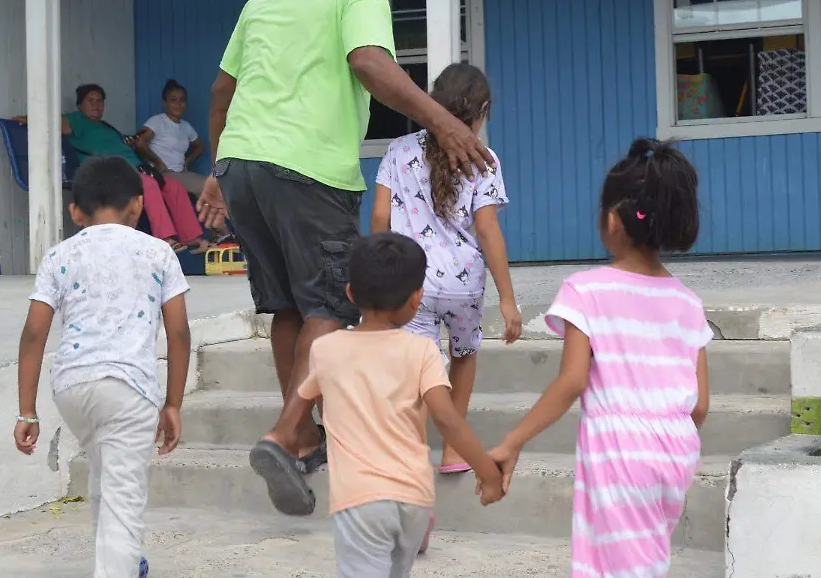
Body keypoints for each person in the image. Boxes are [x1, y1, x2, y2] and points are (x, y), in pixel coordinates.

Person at [195, 0, 495, 515]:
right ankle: (286, 432)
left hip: (242, 166)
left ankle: (300, 434)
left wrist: (219, 171)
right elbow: (368, 63)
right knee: (331, 303)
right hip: (309, 170)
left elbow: (222, 89)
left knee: (287, 305)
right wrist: (443, 124)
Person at [485, 138, 713, 577]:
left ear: (612, 220)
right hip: (676, 452)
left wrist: (512, 441)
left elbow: (572, 381)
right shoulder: (688, 302)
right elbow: (700, 405)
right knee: (643, 561)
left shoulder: (585, 290)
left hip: (619, 453)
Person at [13, 155, 192, 578]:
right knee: (124, 500)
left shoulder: (60, 254)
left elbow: (34, 333)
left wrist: (26, 410)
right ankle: (121, 566)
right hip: (130, 390)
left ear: (75, 212)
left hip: (72, 387)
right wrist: (173, 404)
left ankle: (127, 564)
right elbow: (180, 333)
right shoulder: (158, 252)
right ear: (138, 205)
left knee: (104, 476)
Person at [297, 232, 506, 576]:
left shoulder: (325, 349)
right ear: (416, 298)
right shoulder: (422, 351)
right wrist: (488, 472)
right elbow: (448, 420)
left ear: (350, 293)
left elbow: (308, 400)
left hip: (359, 500)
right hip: (414, 500)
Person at [371, 62, 521, 475]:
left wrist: (379, 277)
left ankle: (413, 462)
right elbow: (488, 232)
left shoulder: (398, 150)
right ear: (483, 108)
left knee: (419, 372)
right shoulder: (483, 159)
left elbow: (380, 219)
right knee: (463, 355)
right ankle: (454, 450)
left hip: (410, 284)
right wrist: (508, 300)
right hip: (464, 286)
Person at [20, 84, 211, 253]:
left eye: (100, 101)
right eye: (90, 100)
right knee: (149, 185)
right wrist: (23, 119)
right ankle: (165, 239)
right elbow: (45, 122)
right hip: (108, 172)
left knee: (174, 187)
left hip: (134, 169)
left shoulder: (106, 126)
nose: (96, 104)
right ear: (80, 105)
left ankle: (191, 237)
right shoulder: (75, 120)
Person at [136, 79, 208, 195]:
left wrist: (186, 161)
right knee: (209, 187)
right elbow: (140, 141)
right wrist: (157, 162)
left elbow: (199, 146)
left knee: (209, 194)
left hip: (181, 173)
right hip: (165, 174)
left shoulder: (186, 126)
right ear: (165, 103)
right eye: (173, 100)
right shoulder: (157, 121)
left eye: (182, 100)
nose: (178, 104)